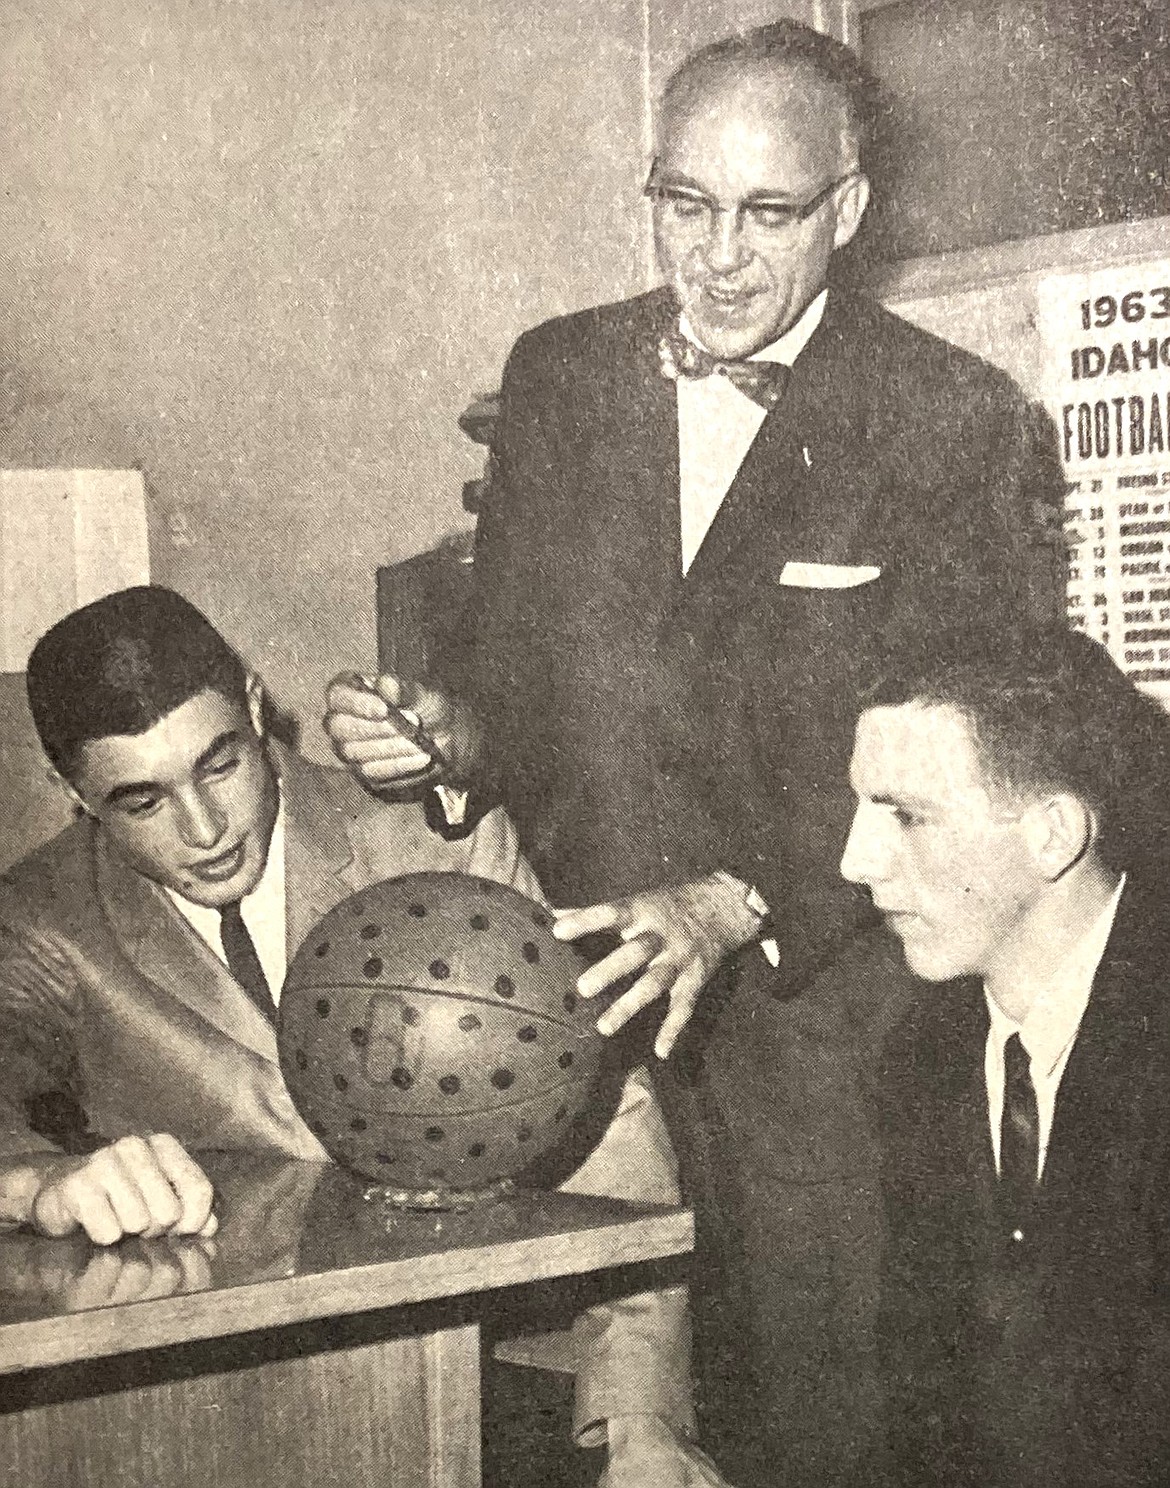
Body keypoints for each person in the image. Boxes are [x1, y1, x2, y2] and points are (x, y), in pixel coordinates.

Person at [325, 17, 1066, 1468]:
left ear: (846, 212)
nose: (716, 257)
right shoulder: (557, 376)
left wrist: (731, 899)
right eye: (685, 204)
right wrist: (442, 732)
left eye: (768, 214)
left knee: (819, 1425)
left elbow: (966, 768)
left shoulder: (952, 421)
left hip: (825, 1041)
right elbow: (516, 673)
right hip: (573, 1025)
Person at [0, 585, 690, 1484]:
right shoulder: (48, 916)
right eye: (142, 802)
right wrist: (33, 1182)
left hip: (473, 1369)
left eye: (220, 766)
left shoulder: (426, 839)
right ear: (72, 792)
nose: (205, 831)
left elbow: (598, 1106)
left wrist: (639, 1421)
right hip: (215, 1406)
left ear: (254, 706)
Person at [837, 624, 1170, 1488]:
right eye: (861, 808)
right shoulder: (920, 1054)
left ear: (1054, 835)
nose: (855, 861)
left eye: (906, 815)